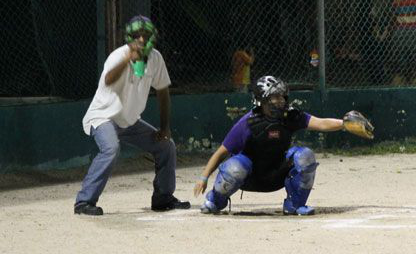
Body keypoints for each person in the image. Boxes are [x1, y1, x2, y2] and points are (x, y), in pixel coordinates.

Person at [193, 75, 373, 215]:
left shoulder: (290, 117)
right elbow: (220, 153)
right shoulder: (248, 123)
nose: (280, 101)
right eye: (274, 98)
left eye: (281, 97)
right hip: (250, 176)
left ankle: (295, 204)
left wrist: (343, 124)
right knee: (235, 166)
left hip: (276, 174)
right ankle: (215, 201)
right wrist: (203, 178)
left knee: (305, 155)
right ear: (260, 100)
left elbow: (320, 123)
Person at [75, 15, 190, 215]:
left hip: (129, 121)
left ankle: (163, 198)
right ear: (129, 38)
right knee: (111, 148)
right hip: (104, 117)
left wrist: (165, 127)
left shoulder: (155, 58)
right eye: (137, 36)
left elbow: (163, 92)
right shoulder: (118, 56)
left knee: (166, 146)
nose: (141, 40)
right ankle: (84, 202)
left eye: (145, 35)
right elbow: (109, 79)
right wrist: (129, 58)